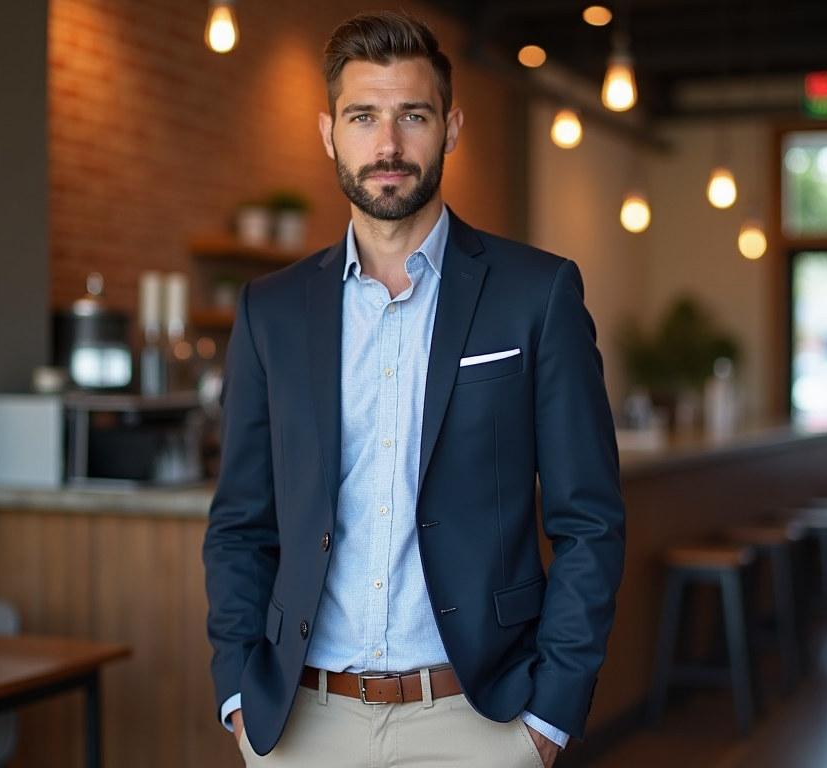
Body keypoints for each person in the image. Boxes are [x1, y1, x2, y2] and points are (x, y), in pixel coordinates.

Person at [203, 10, 625, 767]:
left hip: (478, 720)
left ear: (451, 128)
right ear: (329, 133)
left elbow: (589, 521)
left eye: (413, 116)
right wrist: (238, 691)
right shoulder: (269, 310)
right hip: (302, 723)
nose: (388, 145)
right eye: (363, 117)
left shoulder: (539, 293)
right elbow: (240, 521)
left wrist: (550, 717)